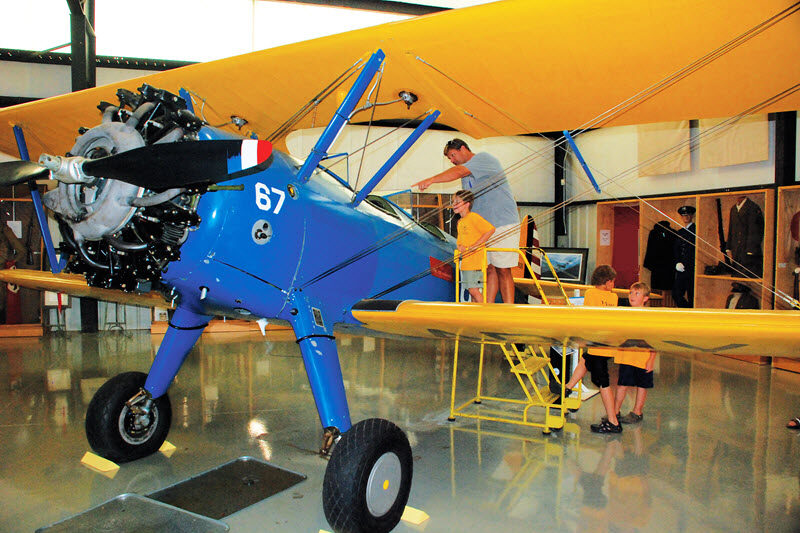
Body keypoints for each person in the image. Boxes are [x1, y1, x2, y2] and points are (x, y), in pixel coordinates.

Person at [412, 139, 520, 303]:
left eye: (453, 156)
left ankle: (510, 309)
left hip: (502, 222)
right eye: (450, 158)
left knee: (503, 269)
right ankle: (487, 308)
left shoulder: (483, 159)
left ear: (463, 149)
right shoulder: (466, 177)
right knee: (489, 268)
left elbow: (458, 171)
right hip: (482, 228)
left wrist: (432, 180)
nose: (452, 161)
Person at [563, 265, 622, 433]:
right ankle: (568, 387)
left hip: (596, 344)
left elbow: (588, 315)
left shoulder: (590, 294)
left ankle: (613, 421)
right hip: (606, 344)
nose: (613, 285)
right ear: (607, 282)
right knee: (585, 360)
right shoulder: (614, 297)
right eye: (613, 281)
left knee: (603, 383)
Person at [613, 281, 656, 424]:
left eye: (637, 293)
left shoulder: (650, 316)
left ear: (645, 298)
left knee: (642, 385)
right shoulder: (625, 313)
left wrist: (651, 359)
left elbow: (654, 340)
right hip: (626, 357)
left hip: (642, 358)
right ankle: (615, 411)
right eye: (631, 292)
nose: (632, 296)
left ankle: (637, 411)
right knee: (622, 385)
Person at [452, 189, 495, 303]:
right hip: (466, 262)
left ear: (467, 204)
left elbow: (490, 229)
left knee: (473, 290)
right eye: (453, 202)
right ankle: (476, 313)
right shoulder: (460, 221)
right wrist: (460, 246)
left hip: (475, 261)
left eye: (457, 202)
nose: (454, 204)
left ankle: (485, 311)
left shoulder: (473, 217)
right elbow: (461, 240)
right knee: (472, 291)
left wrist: (476, 245)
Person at [672, 205, 696, 308]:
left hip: (691, 268)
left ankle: (690, 313)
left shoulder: (695, 230)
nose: (685, 217)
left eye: (687, 215)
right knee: (676, 293)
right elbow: (676, 249)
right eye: (683, 215)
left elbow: (693, 250)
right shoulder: (680, 232)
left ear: (692, 216)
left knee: (692, 296)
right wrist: (677, 262)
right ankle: (686, 310)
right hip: (681, 268)